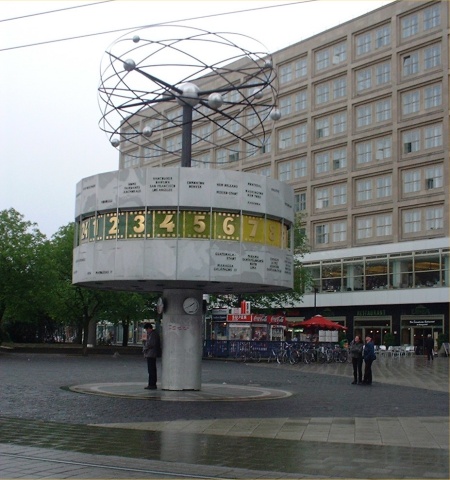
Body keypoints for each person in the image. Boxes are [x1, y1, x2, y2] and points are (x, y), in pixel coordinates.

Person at [142, 323, 161, 390]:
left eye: (146, 329)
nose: (146, 331)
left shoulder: (153, 334)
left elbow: (151, 343)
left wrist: (145, 345)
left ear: (149, 328)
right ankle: (151, 384)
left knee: (151, 370)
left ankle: (152, 384)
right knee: (151, 369)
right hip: (151, 353)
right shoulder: (152, 334)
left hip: (151, 354)